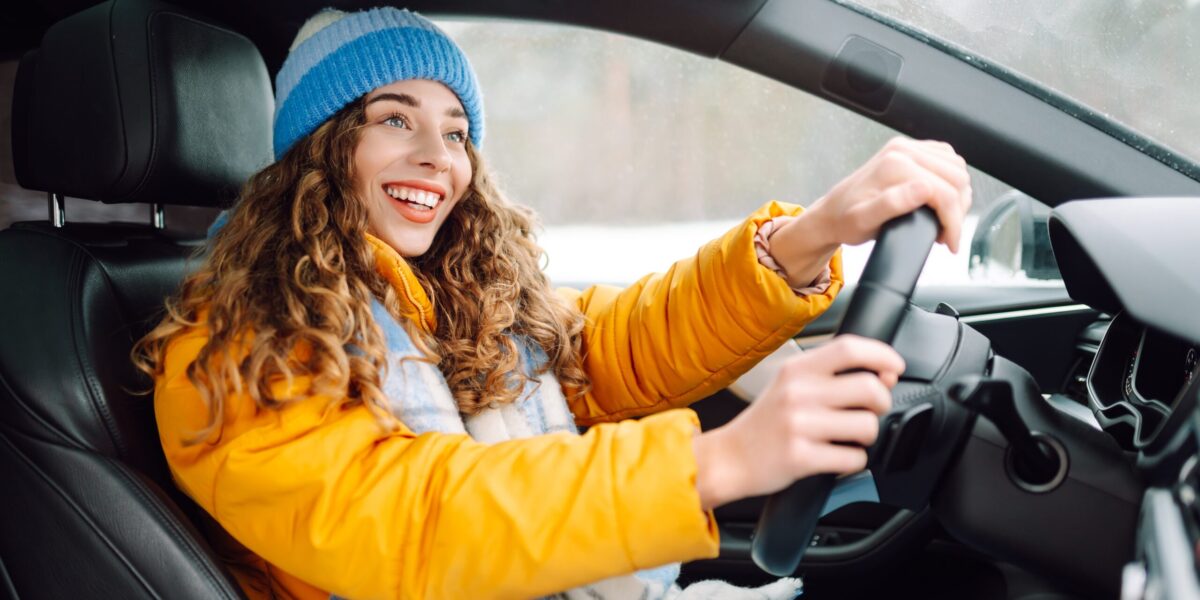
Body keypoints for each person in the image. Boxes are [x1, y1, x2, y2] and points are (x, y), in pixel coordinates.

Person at [134, 7, 972, 600]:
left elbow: (610, 346)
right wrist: (715, 464)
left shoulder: (446, 295)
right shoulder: (235, 339)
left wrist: (810, 235)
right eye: (394, 120)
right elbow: (412, 519)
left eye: (456, 131)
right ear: (318, 149)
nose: (438, 157)